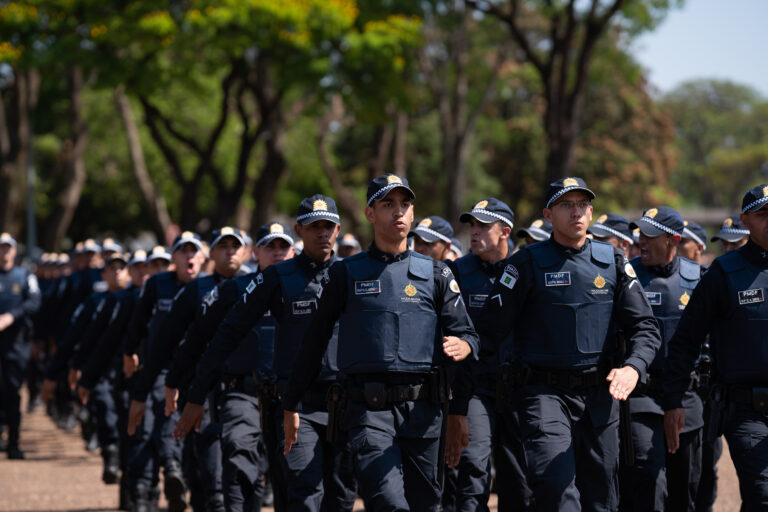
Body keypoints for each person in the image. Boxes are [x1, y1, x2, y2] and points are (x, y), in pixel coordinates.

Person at [283, 175, 480, 511]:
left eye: (404, 205)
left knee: (427, 505)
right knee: (387, 502)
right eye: (388, 204)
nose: (398, 212)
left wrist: (465, 347)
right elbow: (313, 343)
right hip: (367, 411)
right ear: (370, 214)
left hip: (424, 413)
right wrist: (291, 404)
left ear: (413, 213)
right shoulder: (345, 274)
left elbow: (469, 335)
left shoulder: (437, 274)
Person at [477, 177, 661, 512]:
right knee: (556, 491)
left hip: (600, 397)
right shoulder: (524, 263)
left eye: (582, 204)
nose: (575, 212)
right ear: (548, 214)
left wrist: (634, 368)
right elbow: (488, 331)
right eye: (566, 205)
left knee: (602, 498)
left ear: (591, 212)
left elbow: (645, 327)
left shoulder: (614, 261)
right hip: (543, 395)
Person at [175, 195, 357, 512]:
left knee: (340, 498)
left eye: (328, 226)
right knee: (303, 493)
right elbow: (225, 335)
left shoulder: (353, 274)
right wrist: (195, 395)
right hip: (294, 405)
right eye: (315, 226)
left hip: (345, 405)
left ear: (338, 229)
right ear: (300, 230)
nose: (322, 233)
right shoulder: (275, 278)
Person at [165, 224, 294, 512]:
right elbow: (202, 342)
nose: (277, 253)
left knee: (287, 476)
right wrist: (181, 386)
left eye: (282, 247)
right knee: (238, 456)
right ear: (256, 252)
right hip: (242, 394)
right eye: (269, 247)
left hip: (293, 397)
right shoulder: (233, 291)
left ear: (293, 250)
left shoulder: (311, 288)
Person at [664, 184, 768, 512]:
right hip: (747, 411)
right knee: (763, 496)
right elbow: (686, 340)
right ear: (745, 220)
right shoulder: (724, 273)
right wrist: (673, 401)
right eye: (764, 215)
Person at [445, 198, 532, 511]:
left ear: (505, 231)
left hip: (520, 389)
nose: (474, 231)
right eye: (472, 225)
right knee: (473, 470)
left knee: (520, 482)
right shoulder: (455, 271)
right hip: (475, 387)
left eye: (484, 225)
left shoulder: (527, 268)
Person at [621, 207, 703, 511]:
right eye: (641, 233)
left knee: (685, 490)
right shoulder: (626, 275)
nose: (642, 240)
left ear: (674, 240)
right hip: (642, 397)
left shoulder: (697, 278)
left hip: (685, 397)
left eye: (651, 235)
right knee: (648, 484)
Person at [121, 231, 206, 512]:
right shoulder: (157, 284)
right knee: (165, 414)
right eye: (183, 251)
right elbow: (136, 322)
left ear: (203, 257)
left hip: (201, 370)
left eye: (194, 251)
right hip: (162, 367)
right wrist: (129, 351)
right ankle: (168, 470)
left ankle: (184, 486)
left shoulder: (213, 287)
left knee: (200, 434)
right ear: (174, 257)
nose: (189, 256)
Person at [0, 232, 42, 459]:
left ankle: (14, 442)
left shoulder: (24, 275)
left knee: (12, 391)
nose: (4, 252)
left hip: (16, 343)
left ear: (14, 251)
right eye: (1, 248)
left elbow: (34, 302)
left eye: (8, 248)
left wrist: (10, 317)